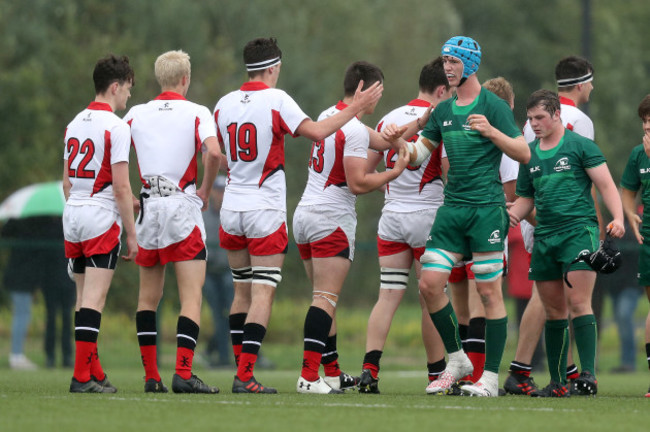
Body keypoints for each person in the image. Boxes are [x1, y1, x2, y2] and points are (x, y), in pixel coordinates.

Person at [213, 37, 382, 394]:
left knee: (240, 294)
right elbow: (319, 132)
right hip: (263, 209)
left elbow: (219, 154)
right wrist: (357, 107)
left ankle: (240, 370)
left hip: (231, 207)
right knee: (263, 293)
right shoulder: (277, 99)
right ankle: (245, 375)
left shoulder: (223, 104)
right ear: (274, 67)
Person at [383, 36, 530, 397]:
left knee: (488, 291)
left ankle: (490, 379)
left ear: (470, 65)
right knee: (429, 283)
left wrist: (492, 131)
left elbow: (525, 152)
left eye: (453, 61)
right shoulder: (443, 110)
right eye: (445, 61)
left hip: (485, 211)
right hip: (452, 211)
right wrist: (399, 143)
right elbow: (419, 154)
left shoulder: (493, 105)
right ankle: (458, 359)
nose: (447, 68)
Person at [292, 61, 408, 394]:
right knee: (325, 299)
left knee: (323, 299)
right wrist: (393, 174)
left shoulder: (332, 114)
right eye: (377, 93)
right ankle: (308, 376)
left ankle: (330, 372)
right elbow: (357, 183)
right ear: (363, 89)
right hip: (330, 220)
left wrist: (416, 124)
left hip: (305, 216)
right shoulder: (355, 129)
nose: (378, 101)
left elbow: (384, 142)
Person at [508, 89, 624, 397]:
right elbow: (525, 200)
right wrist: (508, 215)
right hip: (545, 236)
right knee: (554, 309)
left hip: (579, 231)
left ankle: (588, 375)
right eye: (530, 118)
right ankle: (559, 382)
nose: (534, 123)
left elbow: (606, 185)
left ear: (557, 114)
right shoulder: (528, 154)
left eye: (540, 117)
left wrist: (618, 218)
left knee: (577, 303)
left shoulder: (580, 146)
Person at [125, 50, 222, 394]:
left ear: (159, 78)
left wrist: (126, 198)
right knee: (191, 296)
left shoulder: (136, 113)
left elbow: (113, 155)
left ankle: (152, 377)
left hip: (148, 208)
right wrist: (206, 190)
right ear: (186, 79)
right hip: (182, 206)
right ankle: (183, 372)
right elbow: (213, 153)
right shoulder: (197, 112)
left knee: (148, 297)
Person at [358, 58, 451, 394]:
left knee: (387, 296)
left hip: (392, 216)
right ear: (442, 89)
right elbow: (448, 170)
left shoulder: (389, 119)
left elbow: (369, 169)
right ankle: (436, 376)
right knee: (432, 298)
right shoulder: (443, 119)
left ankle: (369, 370)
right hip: (429, 217)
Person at [62, 54, 138, 393]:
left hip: (74, 213)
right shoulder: (117, 127)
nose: (129, 97)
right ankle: (81, 377)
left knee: (82, 299)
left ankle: (94, 371)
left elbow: (66, 183)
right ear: (114, 86)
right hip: (99, 218)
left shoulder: (75, 122)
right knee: (95, 300)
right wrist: (132, 235)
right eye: (128, 90)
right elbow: (121, 186)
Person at [444, 77, 521, 393]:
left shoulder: (458, 132)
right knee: (483, 302)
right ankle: (478, 377)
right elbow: (511, 193)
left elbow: (447, 172)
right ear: (507, 106)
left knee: (460, 305)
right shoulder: (503, 140)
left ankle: (460, 373)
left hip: (455, 223)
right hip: (485, 224)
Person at [620, 94, 650, 397]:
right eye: (643, 122)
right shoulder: (637, 155)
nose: (645, 128)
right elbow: (627, 189)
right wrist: (629, 213)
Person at [202, 175, 234, 368]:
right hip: (207, 271)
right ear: (212, 191)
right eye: (218, 190)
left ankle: (215, 351)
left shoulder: (230, 213)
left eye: (223, 190)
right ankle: (222, 357)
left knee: (232, 313)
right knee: (217, 314)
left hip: (227, 270)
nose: (221, 194)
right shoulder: (202, 213)